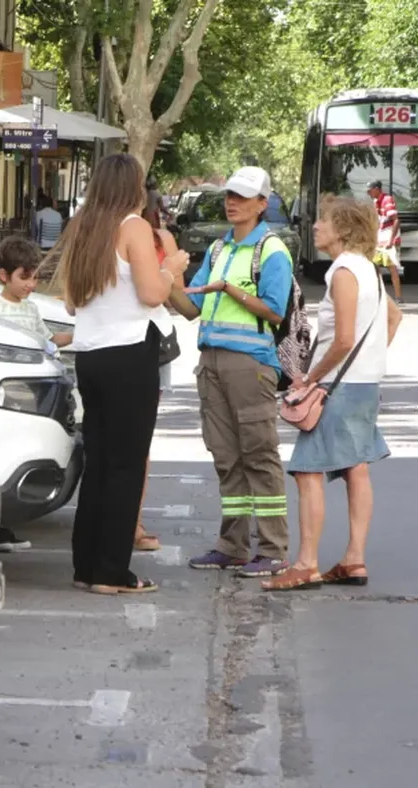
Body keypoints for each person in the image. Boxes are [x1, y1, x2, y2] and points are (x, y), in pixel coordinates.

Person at [55, 152, 189, 594]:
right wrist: (171, 270)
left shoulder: (82, 225)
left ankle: (85, 564)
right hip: (130, 352)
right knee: (127, 465)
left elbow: (72, 303)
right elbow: (152, 294)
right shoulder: (133, 226)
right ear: (133, 187)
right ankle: (112, 571)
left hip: (90, 352)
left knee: (99, 462)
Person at [263, 196, 403, 591]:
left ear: (343, 230)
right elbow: (394, 316)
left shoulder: (342, 271)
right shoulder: (368, 270)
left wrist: (310, 378)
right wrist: (370, 359)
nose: (316, 226)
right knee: (356, 468)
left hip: (336, 386)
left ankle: (306, 563)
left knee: (308, 471)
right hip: (363, 383)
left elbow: (342, 339)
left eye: (323, 221)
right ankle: (354, 559)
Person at [168, 166, 294, 578]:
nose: (231, 201)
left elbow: (276, 310)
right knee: (226, 458)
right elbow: (192, 307)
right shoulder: (220, 249)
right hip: (212, 362)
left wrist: (229, 290)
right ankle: (233, 545)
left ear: (263, 204)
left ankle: (273, 550)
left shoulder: (272, 250)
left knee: (259, 457)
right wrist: (169, 280)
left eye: (242, 196)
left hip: (251, 365)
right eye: (229, 194)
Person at [0, 235, 73, 553]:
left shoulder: (31, 310)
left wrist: (79, 334)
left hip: (30, 395)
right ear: (4, 275)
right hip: (5, 394)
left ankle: (2, 527)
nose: (31, 285)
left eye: (35, 277)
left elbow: (47, 340)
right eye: (24, 277)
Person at [133, 208, 181, 553]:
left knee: (139, 440)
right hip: (118, 340)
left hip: (152, 338)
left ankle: (133, 520)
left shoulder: (159, 238)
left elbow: (171, 294)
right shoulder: (101, 231)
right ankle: (124, 522)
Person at [367, 180, 403, 305]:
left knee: (391, 268)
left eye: (370, 190)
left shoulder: (387, 200)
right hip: (380, 238)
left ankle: (398, 296)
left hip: (388, 238)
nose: (368, 193)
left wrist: (391, 240)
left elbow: (396, 220)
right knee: (375, 267)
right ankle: (379, 295)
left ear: (377, 189)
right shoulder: (375, 202)